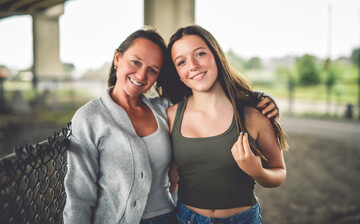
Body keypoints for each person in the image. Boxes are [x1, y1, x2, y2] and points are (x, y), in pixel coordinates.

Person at [63, 27, 279, 224]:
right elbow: (79, 195)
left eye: (153, 69)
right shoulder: (90, 117)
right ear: (117, 58)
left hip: (170, 217)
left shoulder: (162, 110)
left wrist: (259, 98)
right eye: (136, 62)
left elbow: (207, 92)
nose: (141, 75)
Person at [163, 25, 289, 224]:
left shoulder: (254, 115)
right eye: (181, 62)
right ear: (178, 73)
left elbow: (279, 173)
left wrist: (257, 171)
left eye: (200, 54)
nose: (193, 65)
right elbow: (170, 176)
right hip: (186, 219)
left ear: (216, 55)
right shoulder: (170, 116)